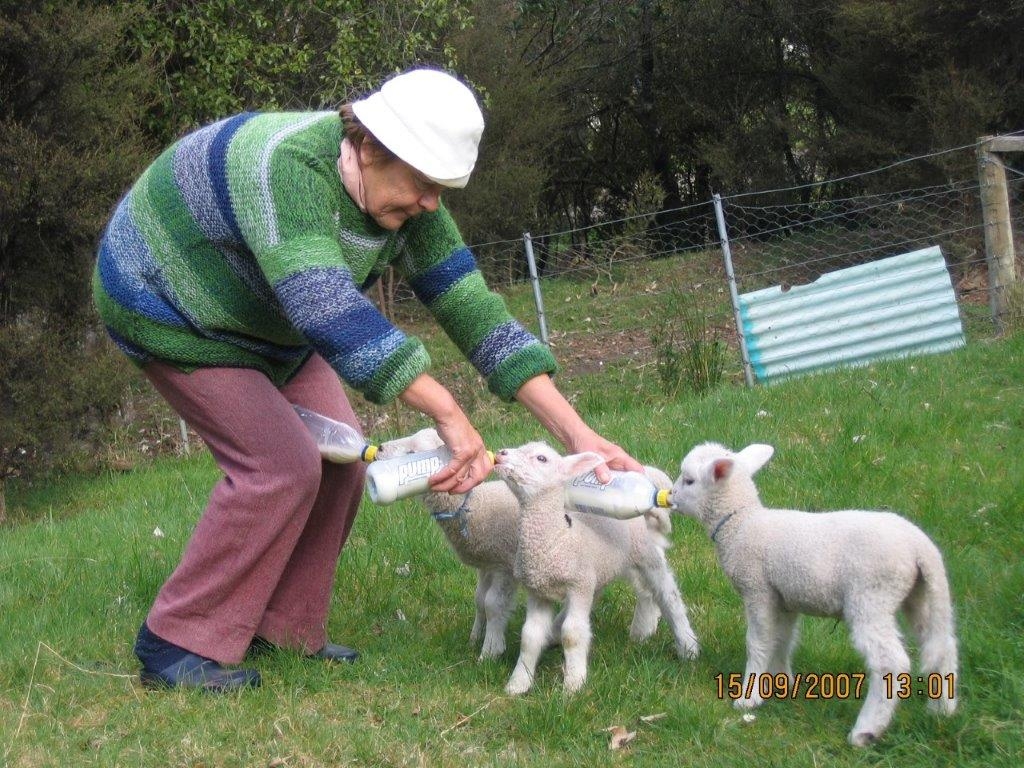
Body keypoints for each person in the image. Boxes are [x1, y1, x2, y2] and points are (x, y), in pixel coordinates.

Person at [93, 67, 644, 692]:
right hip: (169, 308)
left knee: (343, 461)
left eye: (442, 188)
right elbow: (322, 304)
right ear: (374, 145)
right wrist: (448, 412)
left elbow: (475, 313)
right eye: (424, 184)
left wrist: (579, 435)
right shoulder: (284, 166)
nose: (431, 203)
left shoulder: (409, 206)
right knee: (280, 466)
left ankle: (285, 627)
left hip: (270, 322)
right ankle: (174, 644)